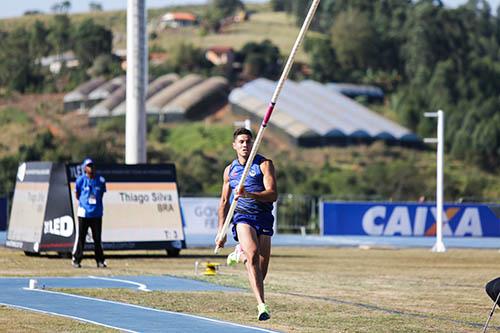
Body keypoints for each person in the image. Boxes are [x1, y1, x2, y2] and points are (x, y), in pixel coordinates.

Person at [216, 128, 278, 321]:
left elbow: (273, 195)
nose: (245, 145)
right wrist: (222, 231)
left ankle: (239, 254)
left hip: (263, 216)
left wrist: (249, 194)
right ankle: (262, 305)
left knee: (261, 266)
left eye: (248, 142)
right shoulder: (230, 170)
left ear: (254, 144)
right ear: (234, 145)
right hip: (243, 217)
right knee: (252, 256)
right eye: (241, 142)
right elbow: (224, 202)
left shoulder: (264, 164)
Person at [72, 158, 107, 268]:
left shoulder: (100, 180)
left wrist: (95, 206)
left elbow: (101, 195)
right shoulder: (80, 180)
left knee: (97, 239)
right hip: (84, 214)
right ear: (84, 168)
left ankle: (100, 261)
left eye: (92, 165)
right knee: (81, 238)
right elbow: (77, 195)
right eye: (88, 166)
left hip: (96, 214)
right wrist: (85, 204)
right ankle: (77, 260)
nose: (91, 168)